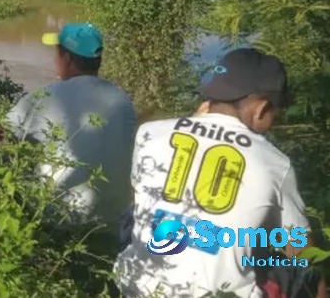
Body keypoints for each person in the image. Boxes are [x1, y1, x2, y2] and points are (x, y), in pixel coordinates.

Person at [115, 48, 326, 298]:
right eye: (275, 113)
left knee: (136, 213)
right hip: (219, 294)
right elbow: (298, 248)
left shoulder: (149, 132)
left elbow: (141, 199)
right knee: (305, 268)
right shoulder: (274, 163)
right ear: (261, 108)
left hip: (135, 286)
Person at [4, 23, 136, 226]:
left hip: (60, 217)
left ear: (66, 59)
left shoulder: (45, 96)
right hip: (115, 218)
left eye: (56, 52)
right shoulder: (122, 99)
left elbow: (0, 134)